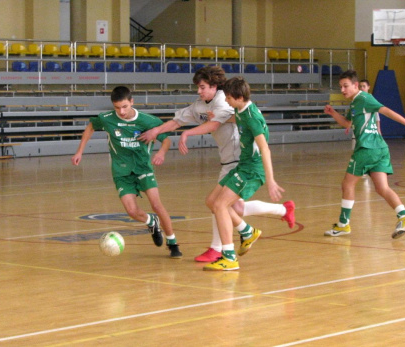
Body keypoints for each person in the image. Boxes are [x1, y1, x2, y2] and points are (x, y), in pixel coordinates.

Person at [138, 66, 295, 263]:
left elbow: (217, 125)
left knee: (220, 204)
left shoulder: (225, 99)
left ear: (214, 87)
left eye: (202, 87)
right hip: (231, 159)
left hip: (242, 159)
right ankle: (275, 214)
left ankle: (220, 249)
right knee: (229, 207)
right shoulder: (201, 104)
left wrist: (188, 133)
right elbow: (177, 121)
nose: (199, 91)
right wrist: (156, 131)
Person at [71, 86, 182, 258]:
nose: (121, 111)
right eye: (117, 108)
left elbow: (166, 140)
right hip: (121, 171)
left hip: (143, 168)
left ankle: (173, 243)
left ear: (132, 102)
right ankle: (151, 222)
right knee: (131, 211)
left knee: (157, 205)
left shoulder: (147, 121)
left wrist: (161, 152)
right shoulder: (107, 118)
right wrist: (79, 151)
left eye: (124, 106)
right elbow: (90, 127)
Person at [323, 70, 405, 239]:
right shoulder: (355, 102)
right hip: (380, 149)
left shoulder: (364, 98)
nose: (343, 90)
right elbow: (347, 123)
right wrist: (333, 113)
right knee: (382, 188)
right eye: (341, 87)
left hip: (367, 149)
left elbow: (387, 111)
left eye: (346, 86)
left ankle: (343, 225)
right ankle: (404, 215)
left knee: (347, 184)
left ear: (355, 85)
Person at [201, 76, 285, 271]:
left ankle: (229, 257)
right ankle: (246, 231)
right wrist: (219, 118)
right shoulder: (241, 110)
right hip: (243, 166)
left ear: (238, 97)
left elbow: (265, 149)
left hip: (252, 170)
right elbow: (237, 119)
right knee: (212, 202)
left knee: (221, 205)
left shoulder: (253, 118)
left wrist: (270, 180)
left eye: (229, 98)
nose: (227, 101)